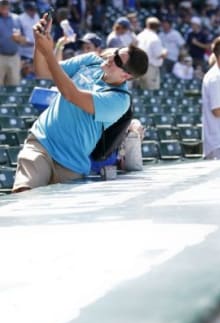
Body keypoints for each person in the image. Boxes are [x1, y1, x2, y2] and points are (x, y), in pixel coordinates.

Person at [12, 13, 148, 192]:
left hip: (72, 164)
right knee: (24, 195)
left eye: (116, 60)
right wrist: (40, 41)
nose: (109, 57)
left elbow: (71, 95)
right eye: (115, 53)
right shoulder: (91, 60)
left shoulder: (120, 100)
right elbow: (43, 71)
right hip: (42, 143)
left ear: (127, 75)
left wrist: (48, 52)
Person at [0, 0, 27, 86]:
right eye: (2, 5)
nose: (4, 7)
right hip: (0, 56)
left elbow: (24, 39)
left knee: (14, 85)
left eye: (6, 5)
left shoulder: (16, 18)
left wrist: (19, 38)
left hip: (14, 56)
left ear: (9, 6)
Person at [136, 16, 167, 90]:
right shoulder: (155, 38)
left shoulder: (139, 36)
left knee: (139, 93)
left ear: (147, 25)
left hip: (137, 67)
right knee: (151, 92)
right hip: (150, 68)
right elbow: (158, 55)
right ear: (157, 27)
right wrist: (165, 52)